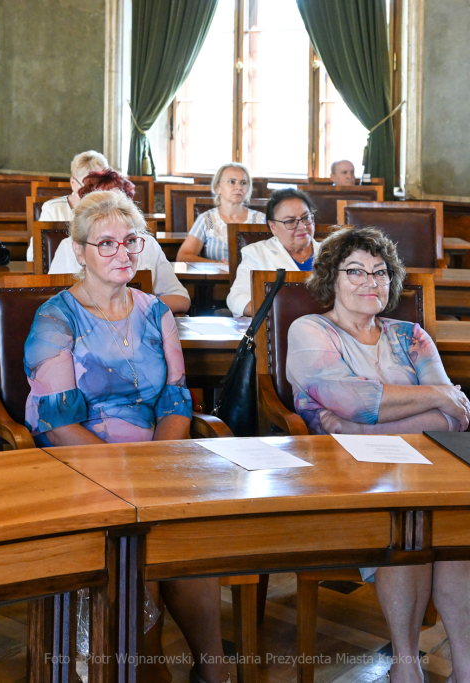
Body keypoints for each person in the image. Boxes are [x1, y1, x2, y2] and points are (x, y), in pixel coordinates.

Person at [23, 190, 231, 683]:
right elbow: (58, 422)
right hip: (80, 464)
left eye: (131, 242)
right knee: (141, 537)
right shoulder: (57, 317)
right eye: (107, 244)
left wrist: (155, 463)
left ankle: (212, 665)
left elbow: (176, 399)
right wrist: (128, 474)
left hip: (154, 459)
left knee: (190, 534)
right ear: (80, 251)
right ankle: (143, 664)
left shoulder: (156, 311)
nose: (123, 254)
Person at [287, 226, 470, 683]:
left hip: (423, 468)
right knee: (409, 520)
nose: (371, 281)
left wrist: (355, 426)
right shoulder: (310, 329)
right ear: (332, 277)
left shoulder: (411, 335)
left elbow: (454, 417)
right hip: (343, 474)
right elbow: (350, 399)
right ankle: (406, 665)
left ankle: (466, 666)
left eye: (380, 272)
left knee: (455, 524)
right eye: (356, 271)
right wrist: (427, 399)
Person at [41, 169, 190, 313]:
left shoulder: (147, 243)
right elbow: (52, 304)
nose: (123, 256)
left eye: (119, 201)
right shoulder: (70, 247)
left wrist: (138, 310)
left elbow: (180, 298)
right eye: (106, 243)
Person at [226, 188, 321, 316]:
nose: (302, 226)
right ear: (273, 227)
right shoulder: (257, 253)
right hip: (276, 327)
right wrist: (281, 310)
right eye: (290, 221)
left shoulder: (333, 253)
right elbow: (237, 299)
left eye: (306, 218)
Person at [177, 162, 265, 263]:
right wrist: (217, 265)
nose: (238, 187)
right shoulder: (206, 219)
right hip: (217, 277)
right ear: (217, 188)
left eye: (243, 183)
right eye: (232, 182)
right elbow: (183, 256)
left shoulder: (261, 219)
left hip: (251, 277)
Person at [37, 150, 110, 222]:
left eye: (99, 185)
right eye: (87, 185)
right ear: (73, 183)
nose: (94, 192)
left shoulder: (111, 209)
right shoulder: (52, 209)